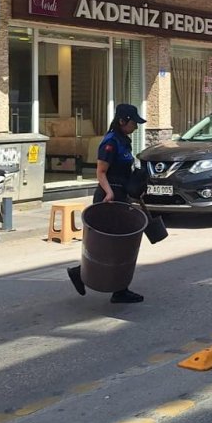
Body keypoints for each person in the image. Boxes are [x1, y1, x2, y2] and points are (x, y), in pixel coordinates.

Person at [68, 103, 147, 304]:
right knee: (109, 245)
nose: (136, 126)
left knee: (120, 244)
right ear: (122, 121)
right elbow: (101, 172)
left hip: (120, 196)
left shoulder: (124, 141)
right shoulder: (110, 142)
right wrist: (109, 192)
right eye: (133, 122)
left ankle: (118, 288)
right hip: (108, 198)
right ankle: (85, 275)